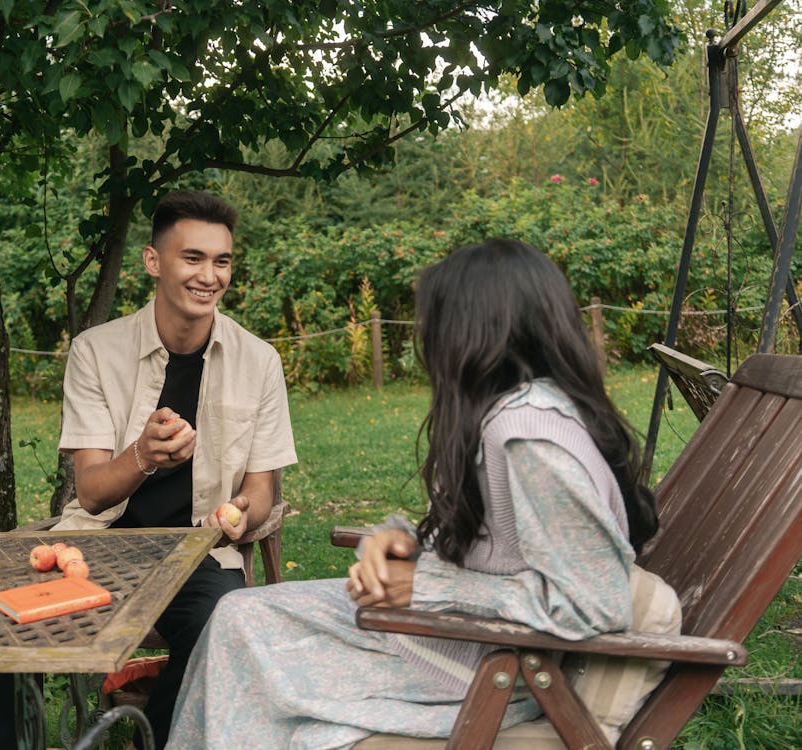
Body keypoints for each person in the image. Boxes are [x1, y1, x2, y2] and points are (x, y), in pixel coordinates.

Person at [167, 238, 659, 749]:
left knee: (242, 631)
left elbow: (596, 604)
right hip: (452, 639)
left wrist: (424, 588)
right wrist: (399, 541)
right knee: (239, 618)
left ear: (477, 328)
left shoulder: (531, 437)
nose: (428, 336)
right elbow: (493, 543)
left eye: (438, 320)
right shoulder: (512, 412)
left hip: (485, 666)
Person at [9, 189, 294, 748]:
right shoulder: (95, 352)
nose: (209, 276)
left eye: (222, 261)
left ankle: (158, 737)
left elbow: (262, 489)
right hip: (98, 548)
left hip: (196, 550)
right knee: (0, 626)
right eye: (193, 258)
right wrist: (142, 455)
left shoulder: (259, 361)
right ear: (153, 261)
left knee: (222, 616)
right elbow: (90, 493)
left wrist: (239, 512)